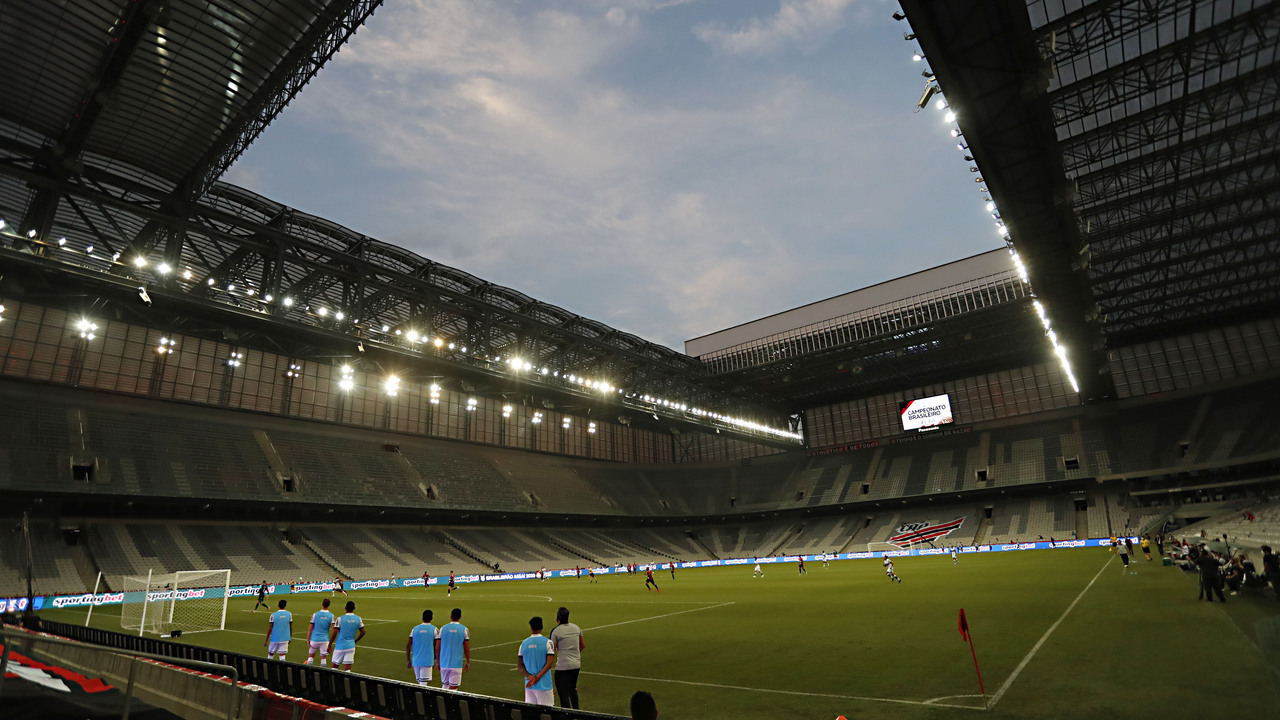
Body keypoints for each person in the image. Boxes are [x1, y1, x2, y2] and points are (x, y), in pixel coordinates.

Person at [549, 606, 584, 708]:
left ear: (557, 618)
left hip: (563, 666)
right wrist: (575, 654)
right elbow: (582, 645)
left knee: (563, 693)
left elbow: (552, 650)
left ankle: (566, 715)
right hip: (576, 665)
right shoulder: (576, 628)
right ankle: (576, 713)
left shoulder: (555, 631)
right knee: (572, 689)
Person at [517, 616, 556, 706]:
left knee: (531, 713)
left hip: (529, 686)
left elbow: (520, 665)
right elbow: (549, 664)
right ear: (542, 627)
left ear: (531, 628)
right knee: (546, 713)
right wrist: (537, 677)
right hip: (544, 686)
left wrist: (530, 677)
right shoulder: (548, 642)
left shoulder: (523, 644)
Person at [438, 608, 471, 690]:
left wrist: (438, 661)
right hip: (456, 663)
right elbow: (466, 648)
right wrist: (468, 661)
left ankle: (442, 701)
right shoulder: (464, 629)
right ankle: (450, 703)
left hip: (444, 663)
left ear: (451, 616)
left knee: (445, 685)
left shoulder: (443, 628)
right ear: (460, 617)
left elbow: (437, 648)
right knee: (453, 688)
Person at [406, 609, 439, 686]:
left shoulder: (414, 629)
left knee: (420, 683)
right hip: (427, 660)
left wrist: (408, 660)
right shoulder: (435, 629)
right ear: (431, 618)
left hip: (416, 660)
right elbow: (437, 647)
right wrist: (436, 659)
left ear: (422, 618)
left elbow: (408, 646)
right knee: (423, 685)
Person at [329, 600, 365, 671]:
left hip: (340, 646)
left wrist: (329, 644)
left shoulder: (340, 619)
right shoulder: (358, 618)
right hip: (351, 646)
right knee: (347, 671)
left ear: (345, 608)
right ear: (354, 608)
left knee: (334, 668)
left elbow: (334, 632)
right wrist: (355, 641)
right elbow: (363, 632)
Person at [305, 597, 335, 666]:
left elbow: (310, 629)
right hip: (325, 640)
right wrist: (330, 642)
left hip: (315, 639)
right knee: (323, 658)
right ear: (329, 605)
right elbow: (333, 630)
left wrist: (307, 639)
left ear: (322, 604)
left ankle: (309, 673)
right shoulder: (331, 615)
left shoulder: (315, 614)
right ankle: (323, 674)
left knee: (311, 657)